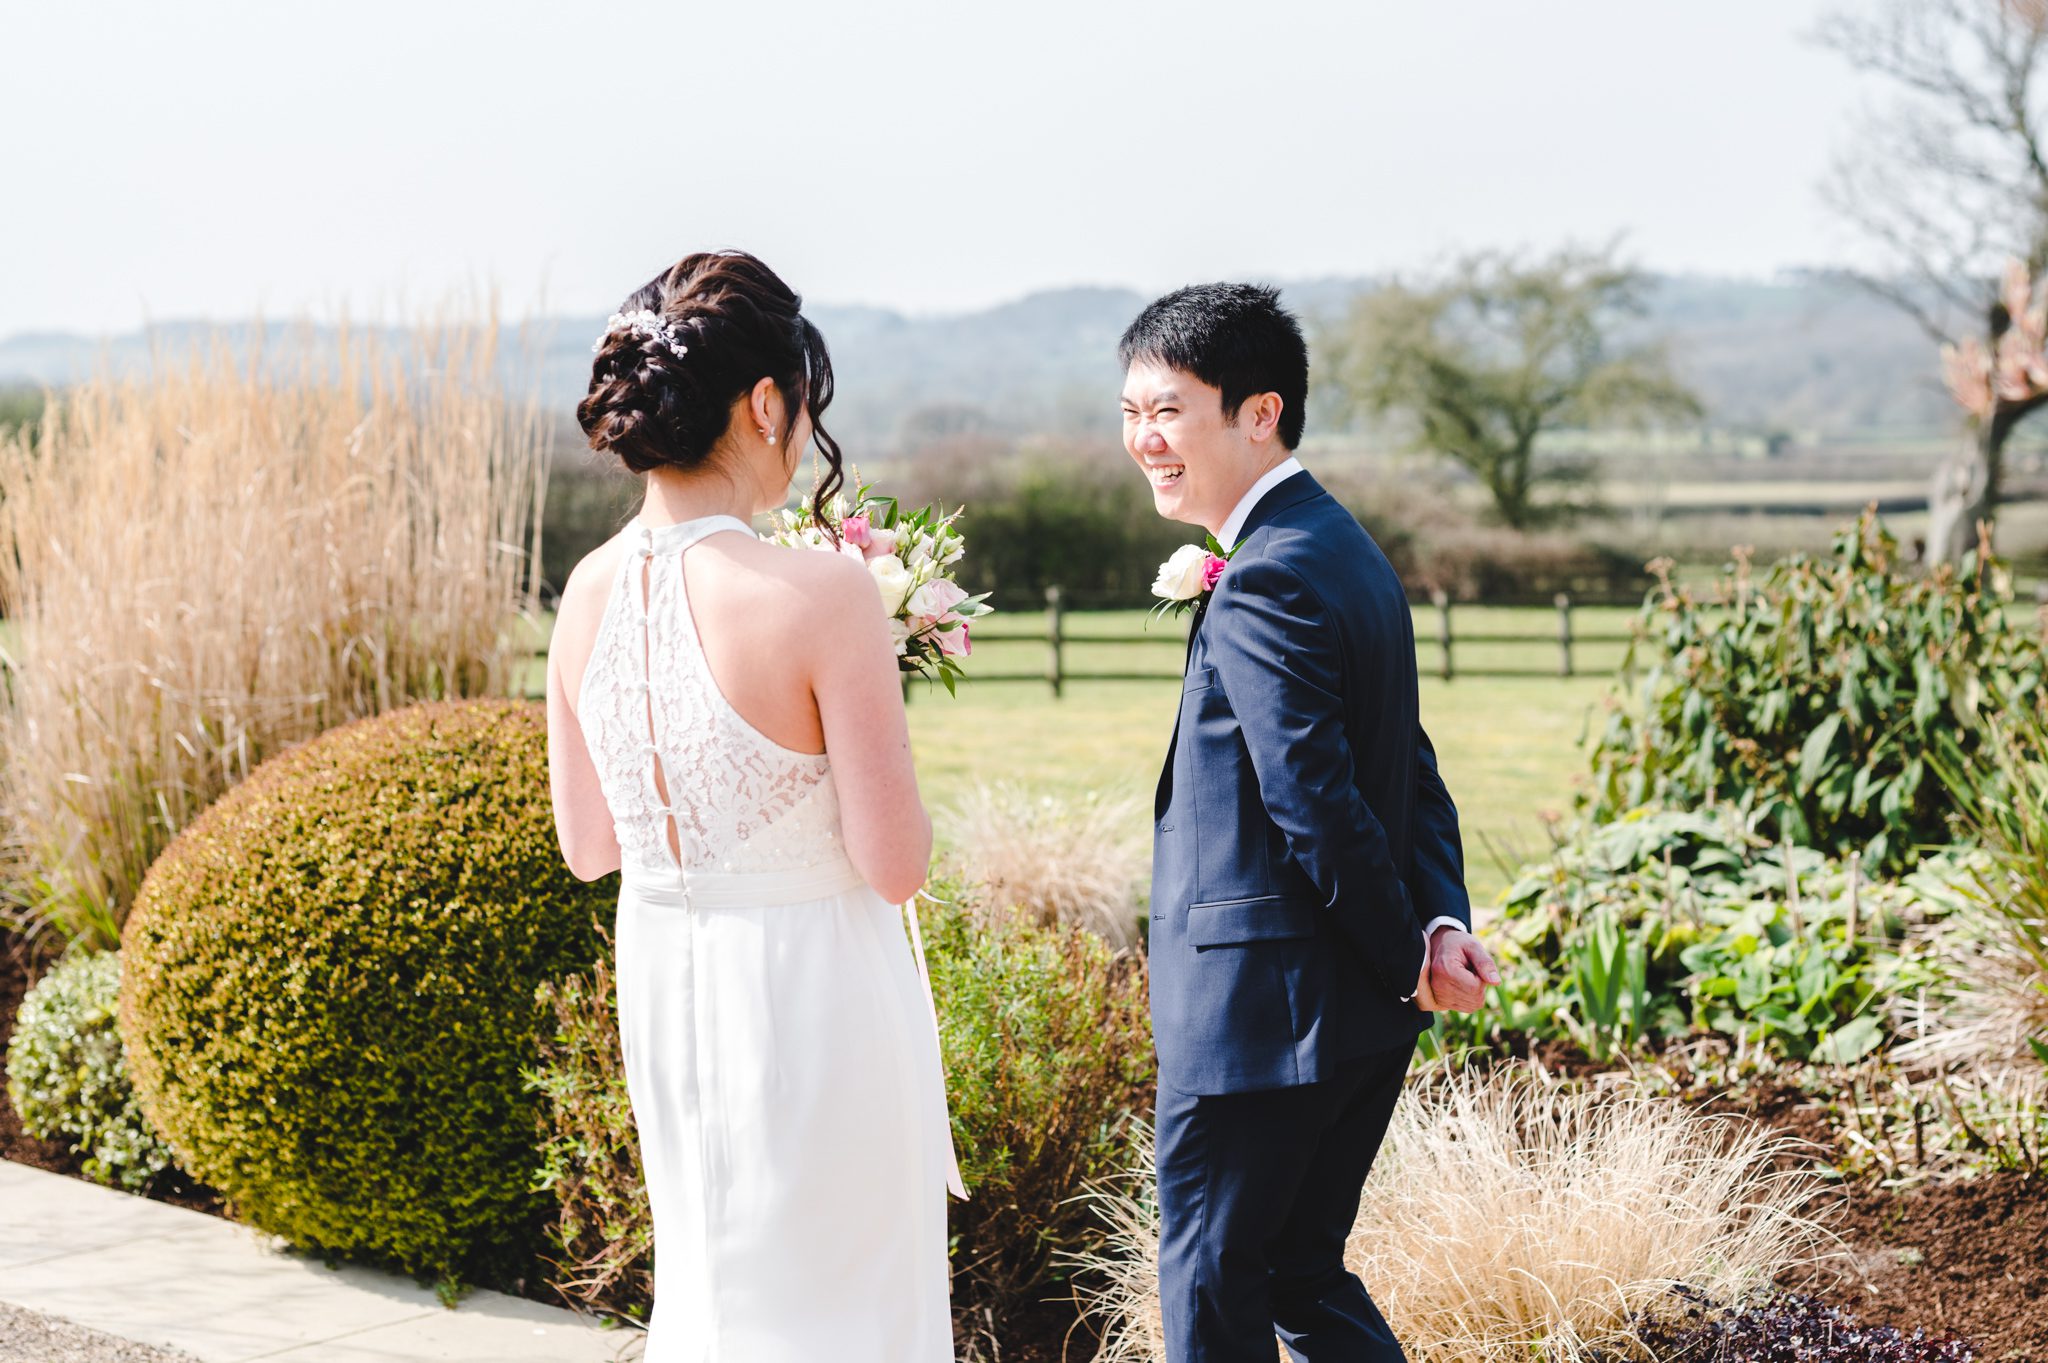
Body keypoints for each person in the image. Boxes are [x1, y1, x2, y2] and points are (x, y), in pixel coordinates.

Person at [544, 250, 961, 1363]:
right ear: (766, 401)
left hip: (667, 977)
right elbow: (896, 863)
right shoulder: (820, 593)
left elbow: (588, 846)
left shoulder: (583, 591)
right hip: (815, 988)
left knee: (717, 1285)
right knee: (844, 1301)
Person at [1121, 283, 1501, 1362]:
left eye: (1169, 411)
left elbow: (1316, 802)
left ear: (1258, 412)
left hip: (1260, 1018)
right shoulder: (1337, 544)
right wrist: (1430, 927)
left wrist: (1403, 954)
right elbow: (1408, 765)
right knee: (1297, 1273)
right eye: (1130, 413)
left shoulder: (1266, 576)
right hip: (1347, 1017)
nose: (1145, 440)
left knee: (1210, 1282)